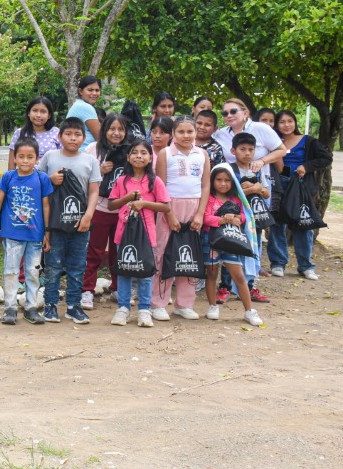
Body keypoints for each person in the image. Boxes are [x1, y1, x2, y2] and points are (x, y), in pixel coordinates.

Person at [37, 117, 101, 324]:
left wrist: (88, 215)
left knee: (77, 265)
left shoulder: (90, 160)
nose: (73, 138)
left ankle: (74, 306)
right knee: (53, 265)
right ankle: (50, 305)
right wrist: (49, 179)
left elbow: (93, 191)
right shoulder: (50, 156)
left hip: (81, 222)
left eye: (78, 134)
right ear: (59, 136)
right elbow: (36, 181)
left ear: (83, 137)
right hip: (55, 222)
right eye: (68, 134)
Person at [0, 138, 52, 326]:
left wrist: (47, 233)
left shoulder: (42, 179)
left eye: (30, 157)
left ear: (37, 158)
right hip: (12, 235)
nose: (25, 161)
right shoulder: (8, 177)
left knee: (33, 272)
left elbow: (46, 206)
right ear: (15, 158)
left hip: (35, 235)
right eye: (21, 157)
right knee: (11, 271)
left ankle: (31, 308)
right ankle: (10, 307)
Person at [108, 139, 171, 327]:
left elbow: (165, 207)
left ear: (151, 157)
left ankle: (144, 309)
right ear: (128, 157)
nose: (139, 156)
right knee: (124, 271)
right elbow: (111, 205)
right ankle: (123, 308)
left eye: (144, 153)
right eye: (134, 152)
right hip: (123, 234)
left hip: (147, 235)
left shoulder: (155, 181)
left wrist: (144, 204)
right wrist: (127, 197)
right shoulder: (121, 181)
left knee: (145, 272)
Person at [152, 116, 209, 321]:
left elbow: (205, 186)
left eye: (190, 131)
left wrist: (200, 214)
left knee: (189, 255)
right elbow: (161, 187)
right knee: (163, 253)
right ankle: (157, 303)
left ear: (196, 132)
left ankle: (185, 304)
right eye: (181, 132)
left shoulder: (202, 154)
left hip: (194, 208)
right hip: (170, 207)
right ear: (173, 134)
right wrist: (169, 214)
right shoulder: (165, 154)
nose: (186, 136)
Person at [269, 109, 332, 280]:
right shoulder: (273, 141)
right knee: (277, 224)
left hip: (300, 186)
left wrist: (307, 166)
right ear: (277, 124)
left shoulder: (308, 141)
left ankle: (306, 266)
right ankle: (278, 263)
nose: (286, 125)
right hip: (278, 186)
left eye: (290, 121)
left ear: (295, 123)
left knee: (303, 223)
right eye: (282, 122)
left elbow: (326, 158)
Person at [202, 165, 264, 326]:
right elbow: (205, 217)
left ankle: (249, 310)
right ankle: (212, 306)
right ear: (212, 180)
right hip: (212, 242)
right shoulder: (208, 198)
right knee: (211, 274)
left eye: (227, 180)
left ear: (233, 182)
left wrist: (237, 218)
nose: (223, 183)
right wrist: (222, 220)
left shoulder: (236, 198)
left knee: (238, 276)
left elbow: (244, 216)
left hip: (231, 241)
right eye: (219, 180)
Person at [81, 113, 131, 310]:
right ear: (104, 130)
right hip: (99, 208)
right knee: (94, 250)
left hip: (122, 209)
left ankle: (118, 288)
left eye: (121, 129)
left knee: (119, 252)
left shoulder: (130, 149)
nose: (116, 133)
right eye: (112, 129)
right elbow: (82, 174)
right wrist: (99, 171)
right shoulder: (92, 149)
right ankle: (87, 290)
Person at [230, 132, 270, 303]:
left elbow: (267, 193)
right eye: (243, 149)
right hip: (236, 217)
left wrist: (257, 188)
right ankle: (226, 286)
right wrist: (252, 190)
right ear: (233, 150)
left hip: (255, 219)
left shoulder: (258, 169)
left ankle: (250, 286)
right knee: (232, 250)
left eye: (251, 149)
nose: (247, 153)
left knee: (254, 251)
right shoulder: (229, 169)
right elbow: (229, 193)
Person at [213, 99, 287, 185]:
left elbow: (282, 150)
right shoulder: (220, 133)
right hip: (232, 182)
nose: (229, 115)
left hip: (260, 181)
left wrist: (262, 161)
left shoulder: (261, 128)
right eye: (225, 113)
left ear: (245, 113)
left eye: (233, 111)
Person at [10, 96, 61, 160]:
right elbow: (12, 162)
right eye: (35, 111)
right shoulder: (19, 133)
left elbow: (63, 158)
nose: (38, 115)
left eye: (43, 112)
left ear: (49, 115)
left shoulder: (57, 133)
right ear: (28, 113)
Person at [66, 76, 102, 145]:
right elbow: (100, 138)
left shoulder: (79, 104)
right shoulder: (85, 107)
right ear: (80, 91)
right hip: (84, 152)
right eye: (90, 90)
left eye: (97, 90)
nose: (94, 93)